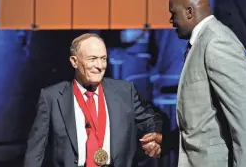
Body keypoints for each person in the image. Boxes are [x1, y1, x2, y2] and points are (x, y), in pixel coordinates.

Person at [24, 33, 162, 167]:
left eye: (103, 59)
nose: (100, 66)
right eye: (92, 59)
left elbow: (150, 120)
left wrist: (153, 137)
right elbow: (36, 151)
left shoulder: (125, 92)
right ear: (74, 61)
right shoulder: (52, 98)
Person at [169, 0, 246, 167]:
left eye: (173, 13)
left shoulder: (216, 41)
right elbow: (205, 123)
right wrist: (168, 140)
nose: (171, 20)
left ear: (189, 12)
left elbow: (245, 115)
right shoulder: (202, 42)